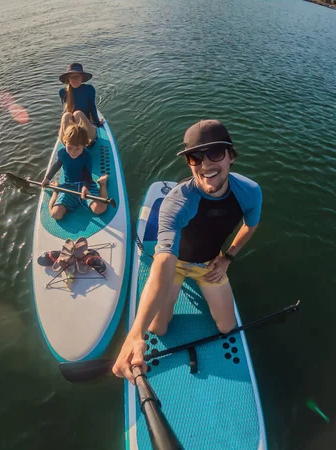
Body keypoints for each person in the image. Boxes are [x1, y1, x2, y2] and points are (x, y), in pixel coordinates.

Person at [112, 119, 263, 382]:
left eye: (215, 153)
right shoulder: (177, 202)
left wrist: (228, 256)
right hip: (177, 265)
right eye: (196, 156)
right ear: (189, 162)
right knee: (157, 328)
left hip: (209, 265)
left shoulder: (249, 192)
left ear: (231, 156)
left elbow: (251, 226)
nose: (206, 165)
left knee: (227, 328)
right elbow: (163, 263)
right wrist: (136, 333)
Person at [43, 123, 108, 220]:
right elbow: (56, 165)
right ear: (65, 142)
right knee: (55, 215)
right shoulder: (61, 153)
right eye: (70, 147)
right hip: (69, 186)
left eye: (77, 148)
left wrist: (86, 187)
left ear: (84, 146)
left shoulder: (87, 155)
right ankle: (55, 192)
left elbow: (87, 175)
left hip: (85, 184)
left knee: (100, 209)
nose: (73, 152)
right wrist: (47, 178)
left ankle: (102, 184)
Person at [58, 63, 104, 146]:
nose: (75, 80)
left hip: (88, 135)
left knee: (77, 114)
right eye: (72, 77)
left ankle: (80, 142)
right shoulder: (62, 92)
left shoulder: (89, 89)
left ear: (82, 78)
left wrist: (97, 122)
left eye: (78, 77)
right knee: (66, 115)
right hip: (71, 133)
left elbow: (92, 108)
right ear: (68, 79)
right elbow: (64, 112)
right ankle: (69, 144)